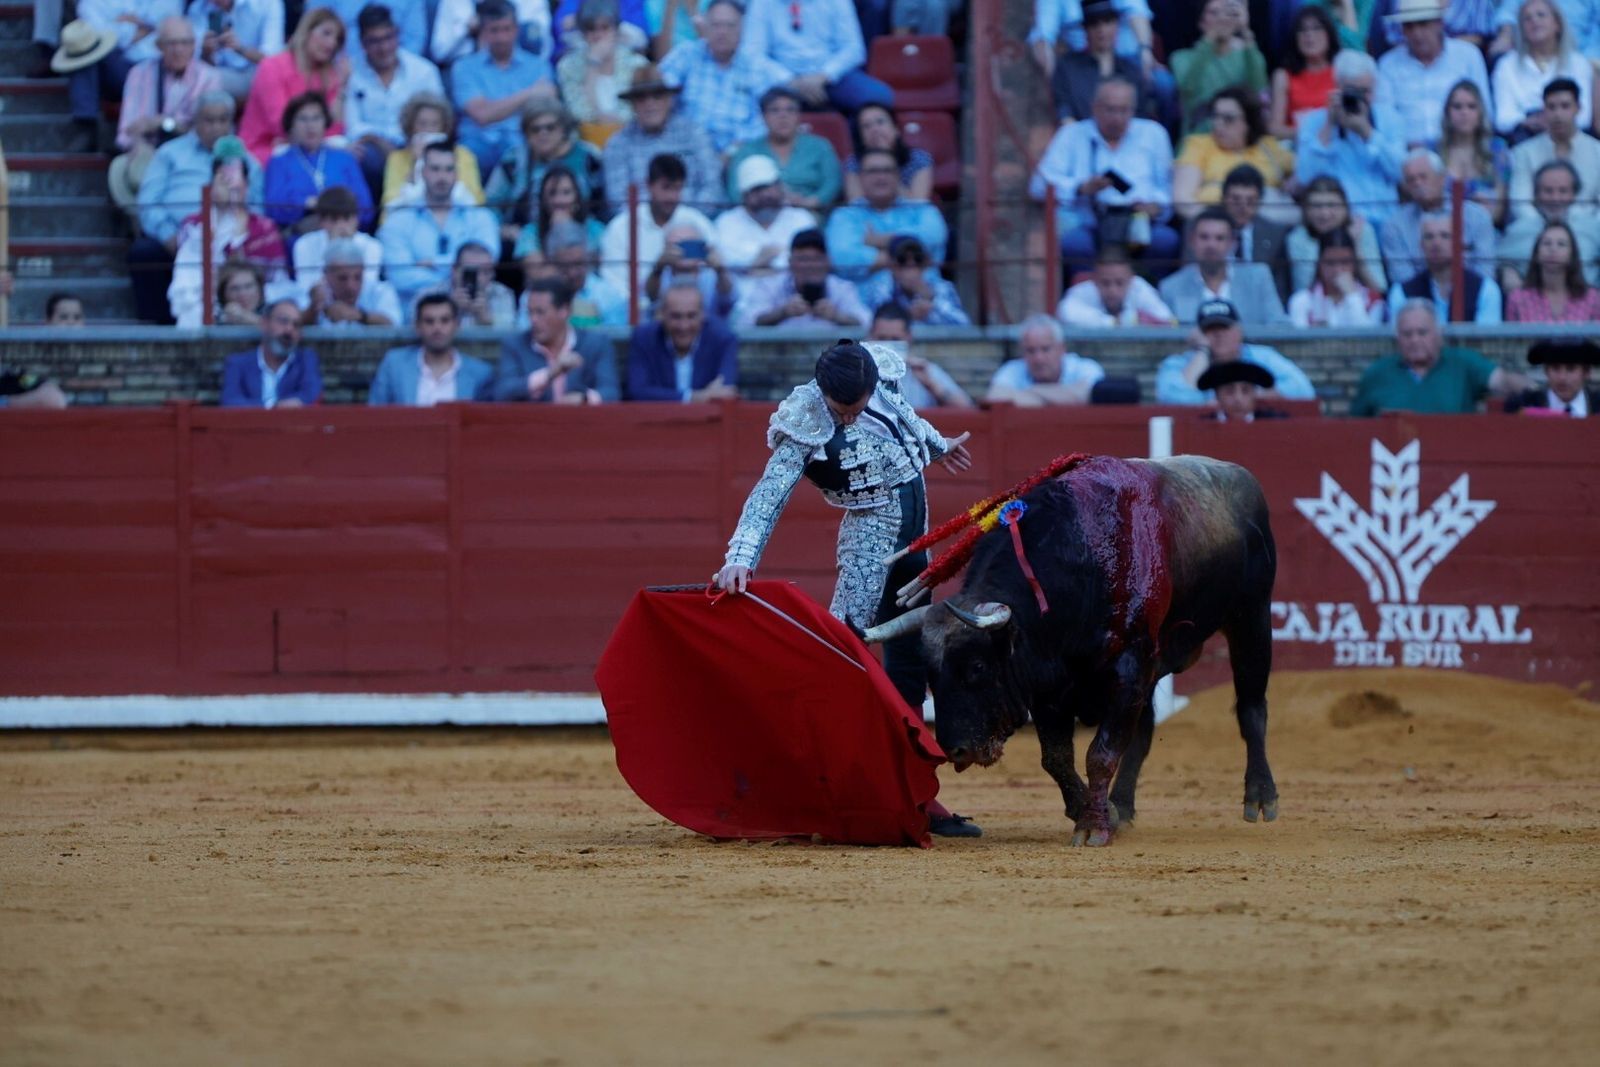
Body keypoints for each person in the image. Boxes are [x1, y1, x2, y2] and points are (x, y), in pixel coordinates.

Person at [712, 339, 979, 837]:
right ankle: (816, 788)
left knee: (910, 664)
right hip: (868, 546)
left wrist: (938, 446)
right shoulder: (805, 419)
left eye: (858, 405)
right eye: (842, 410)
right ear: (825, 396)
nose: (851, 416)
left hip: (916, 541)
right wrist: (740, 558)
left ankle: (917, 795)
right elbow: (767, 496)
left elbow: (902, 422)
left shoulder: (877, 373)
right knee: (845, 660)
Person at [128, 91, 260, 323]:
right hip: (178, 236)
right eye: (209, 120)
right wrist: (169, 235)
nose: (216, 127)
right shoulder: (170, 153)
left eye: (223, 120)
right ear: (195, 121)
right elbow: (148, 202)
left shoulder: (246, 159)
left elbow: (258, 205)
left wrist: (239, 237)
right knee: (143, 253)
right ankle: (156, 328)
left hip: (234, 236)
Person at [1029, 77, 1178, 275]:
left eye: (1124, 110)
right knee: (1075, 244)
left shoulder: (1153, 133)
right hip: (1090, 222)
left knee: (1166, 241)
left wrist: (1156, 205)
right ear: (1095, 108)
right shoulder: (1072, 134)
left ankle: (1151, 296)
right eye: (1110, 110)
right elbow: (1038, 186)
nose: (1117, 117)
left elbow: (1168, 188)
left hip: (1138, 222)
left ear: (1133, 110)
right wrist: (1081, 188)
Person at [109, 17, 220, 211]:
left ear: (194, 45)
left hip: (190, 159)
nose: (178, 50)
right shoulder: (139, 74)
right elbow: (128, 130)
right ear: (158, 46)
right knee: (135, 171)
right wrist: (139, 145)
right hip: (149, 154)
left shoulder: (209, 77)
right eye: (172, 43)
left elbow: (204, 133)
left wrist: (163, 123)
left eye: (185, 43)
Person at [1350, 298, 1531, 415]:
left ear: (1438, 334)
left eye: (1422, 333)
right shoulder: (1376, 373)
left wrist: (1530, 389)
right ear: (1397, 338)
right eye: (1407, 334)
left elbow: (1500, 380)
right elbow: (1355, 428)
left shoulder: (1462, 363)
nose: (1414, 340)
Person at [168, 150, 287, 327]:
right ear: (213, 186)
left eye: (236, 186)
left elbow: (279, 281)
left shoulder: (265, 228)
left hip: (260, 309)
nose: (230, 190)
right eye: (224, 182)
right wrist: (221, 213)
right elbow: (192, 276)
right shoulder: (192, 225)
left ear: (247, 185)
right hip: (208, 307)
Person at [1293, 49, 1406, 231]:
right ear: (1337, 87)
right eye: (1352, 91)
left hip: (1385, 219)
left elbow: (1401, 172)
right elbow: (1305, 177)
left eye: (1365, 92)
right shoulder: (1314, 122)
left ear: (1375, 87)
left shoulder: (1390, 119)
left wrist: (1367, 132)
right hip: (1336, 222)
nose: (1359, 98)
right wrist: (1329, 125)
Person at [378, 140, 501, 307]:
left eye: (449, 169)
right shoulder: (397, 220)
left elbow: (487, 262)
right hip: (414, 320)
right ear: (422, 172)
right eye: (435, 169)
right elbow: (400, 277)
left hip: (472, 313)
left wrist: (434, 263)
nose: (442, 177)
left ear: (457, 174)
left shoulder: (481, 217)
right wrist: (456, 274)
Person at [658, 0, 789, 155]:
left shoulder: (757, 67)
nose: (723, 32)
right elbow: (660, 90)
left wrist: (733, 151)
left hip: (739, 152)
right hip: (686, 148)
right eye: (716, 25)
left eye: (730, 25)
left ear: (742, 29)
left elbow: (762, 119)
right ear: (705, 27)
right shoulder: (686, 55)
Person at [344, 4, 446, 199]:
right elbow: (353, 126)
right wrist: (379, 141)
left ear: (397, 35)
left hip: (417, 144)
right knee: (361, 157)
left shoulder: (424, 71)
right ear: (362, 43)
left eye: (388, 38)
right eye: (374, 41)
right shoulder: (351, 72)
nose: (383, 48)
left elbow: (440, 119)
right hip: (373, 149)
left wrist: (411, 143)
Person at [451, 0, 558, 175]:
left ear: (516, 29)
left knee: (533, 149)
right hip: (477, 143)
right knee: (464, 156)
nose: (502, 38)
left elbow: (544, 111)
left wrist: (496, 108)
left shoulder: (538, 66)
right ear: (483, 33)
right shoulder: (464, 67)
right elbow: (482, 115)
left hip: (524, 140)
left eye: (507, 29)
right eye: (494, 30)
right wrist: (529, 94)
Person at [600, 64, 723, 215]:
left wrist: (684, 219)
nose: (650, 103)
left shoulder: (694, 134)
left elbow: (713, 188)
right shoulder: (617, 144)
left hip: (692, 223)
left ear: (669, 100)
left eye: (657, 95)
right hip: (639, 227)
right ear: (632, 105)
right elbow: (618, 202)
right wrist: (653, 221)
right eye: (641, 98)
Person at [55, 6, 180, 153]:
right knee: (84, 50)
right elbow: (95, 36)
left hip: (160, 64)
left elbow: (170, 24)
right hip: (120, 65)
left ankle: (141, 140)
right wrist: (141, 27)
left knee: (173, 54)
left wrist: (123, 28)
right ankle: (86, 125)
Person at [599, 153, 716, 305]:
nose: (672, 196)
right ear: (648, 185)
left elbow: (715, 275)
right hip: (634, 315)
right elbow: (614, 285)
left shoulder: (698, 223)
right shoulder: (621, 227)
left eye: (678, 188)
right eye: (666, 188)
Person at [238, 7, 348, 163]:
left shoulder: (329, 75)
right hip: (265, 149)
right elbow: (281, 125)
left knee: (345, 151)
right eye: (326, 34)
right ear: (307, 32)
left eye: (337, 39)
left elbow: (335, 129)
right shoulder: (272, 67)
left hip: (310, 147)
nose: (331, 43)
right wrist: (308, 136)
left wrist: (342, 87)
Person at [1375, 0, 1491, 149]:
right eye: (1409, 26)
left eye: (1423, 24)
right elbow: (1385, 121)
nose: (1417, 33)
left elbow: (1485, 111)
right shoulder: (1388, 65)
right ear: (1402, 30)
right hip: (1408, 155)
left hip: (1459, 150)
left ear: (1440, 24)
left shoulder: (1468, 56)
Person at [740, 0, 893, 113]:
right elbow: (752, 53)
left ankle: (852, 150)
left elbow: (854, 49)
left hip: (829, 76)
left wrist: (823, 76)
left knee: (879, 97)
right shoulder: (761, 3)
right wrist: (790, 80)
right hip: (781, 77)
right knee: (744, 96)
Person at [1155, 298, 1315, 405]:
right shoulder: (1178, 363)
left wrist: (1250, 396)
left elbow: (1304, 390)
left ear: (1239, 331)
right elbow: (1171, 398)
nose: (1218, 334)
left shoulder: (1263, 356)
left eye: (1224, 327)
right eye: (1210, 329)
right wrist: (1202, 351)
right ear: (1198, 334)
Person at [486, 99, 603, 246]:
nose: (543, 133)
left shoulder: (589, 157)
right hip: (524, 239)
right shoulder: (513, 160)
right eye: (535, 129)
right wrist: (504, 229)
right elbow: (491, 204)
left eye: (550, 127)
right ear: (526, 134)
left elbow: (604, 205)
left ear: (563, 129)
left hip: (582, 238)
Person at [1172, 86, 1295, 224]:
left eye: (1228, 119)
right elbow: (1183, 200)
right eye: (1215, 116)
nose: (1218, 124)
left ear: (1248, 122)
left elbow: (1307, 171)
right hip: (1215, 226)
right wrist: (1219, 223)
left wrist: (1292, 181)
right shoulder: (1198, 145)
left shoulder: (1268, 146)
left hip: (1267, 226)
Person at [824, 148, 948, 283]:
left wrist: (879, 241)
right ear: (861, 178)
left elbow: (933, 239)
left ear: (898, 176)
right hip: (862, 302)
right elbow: (843, 258)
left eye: (887, 170)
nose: (881, 177)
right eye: (873, 171)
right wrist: (906, 258)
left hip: (923, 297)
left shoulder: (923, 210)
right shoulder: (844, 215)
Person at [262, 92, 375, 238]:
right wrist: (307, 203)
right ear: (291, 125)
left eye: (316, 118)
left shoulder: (345, 158)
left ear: (325, 122)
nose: (310, 126)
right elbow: (273, 210)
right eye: (303, 119)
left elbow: (366, 208)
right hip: (300, 234)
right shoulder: (279, 162)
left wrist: (337, 214)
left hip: (346, 233)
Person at [496, 277, 621, 403]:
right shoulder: (515, 344)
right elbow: (503, 393)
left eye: (540, 312)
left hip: (580, 421)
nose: (533, 319)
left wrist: (584, 399)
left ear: (564, 311)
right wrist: (550, 373)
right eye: (530, 312)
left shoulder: (596, 344)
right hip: (532, 422)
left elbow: (611, 393)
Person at [1380, 149, 1497, 280]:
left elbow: (1485, 272)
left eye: (1423, 177)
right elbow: (1402, 279)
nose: (1417, 183)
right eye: (1411, 180)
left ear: (1442, 178)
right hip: (1418, 297)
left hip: (1471, 293)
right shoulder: (1395, 226)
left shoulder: (1477, 216)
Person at [1158, 207, 1288, 324]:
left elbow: (1278, 325)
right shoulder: (1170, 286)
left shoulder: (1259, 278)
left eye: (1219, 238)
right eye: (1204, 237)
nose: (1211, 245)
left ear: (1232, 243)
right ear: (1192, 241)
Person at [724, 86, 842, 211]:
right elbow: (735, 192)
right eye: (775, 110)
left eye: (790, 110)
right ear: (763, 116)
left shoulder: (820, 146)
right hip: (758, 214)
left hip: (810, 212)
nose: (783, 116)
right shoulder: (747, 151)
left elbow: (832, 184)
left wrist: (811, 202)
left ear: (799, 115)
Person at [369, 294, 496, 406]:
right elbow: (374, 414)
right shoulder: (394, 365)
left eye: (445, 321)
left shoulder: (480, 373)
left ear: (457, 325)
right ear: (417, 326)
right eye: (429, 321)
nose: (437, 328)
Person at [1491, 0, 1593, 140]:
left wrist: (1553, 120)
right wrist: (1531, 121)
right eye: (1527, 18)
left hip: (1570, 137)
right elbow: (1503, 119)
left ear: (1557, 24)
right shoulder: (1506, 65)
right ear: (1522, 29)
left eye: (1541, 15)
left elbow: (1584, 117)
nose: (1534, 21)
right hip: (1523, 136)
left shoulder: (1578, 63)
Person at [625, 282, 741, 401]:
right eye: (676, 316)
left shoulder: (723, 339)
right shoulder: (644, 338)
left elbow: (724, 391)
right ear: (662, 314)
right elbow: (637, 391)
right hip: (654, 419)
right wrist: (693, 397)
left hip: (708, 419)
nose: (683, 326)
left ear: (703, 314)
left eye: (691, 316)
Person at [713, 156, 819, 285]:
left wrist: (752, 269)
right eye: (757, 190)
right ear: (744, 195)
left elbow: (811, 268)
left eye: (768, 187)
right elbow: (727, 273)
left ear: (780, 186)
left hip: (794, 299)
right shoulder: (726, 223)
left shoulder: (802, 219)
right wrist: (758, 261)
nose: (764, 195)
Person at [380, 93, 487, 218]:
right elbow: (387, 213)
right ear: (410, 127)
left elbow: (475, 204)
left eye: (435, 124)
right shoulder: (397, 159)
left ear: (444, 128)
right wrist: (418, 162)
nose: (428, 130)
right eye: (422, 124)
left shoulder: (464, 156)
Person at [1508, 78, 1600, 221]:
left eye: (1565, 106)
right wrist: (1547, 231)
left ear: (1578, 108)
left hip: (1588, 231)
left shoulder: (1597, 152)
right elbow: (1520, 203)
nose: (1558, 114)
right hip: (1535, 230)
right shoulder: (1524, 152)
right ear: (1544, 110)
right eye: (1551, 107)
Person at [736, 228, 869, 327]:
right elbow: (747, 322)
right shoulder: (769, 286)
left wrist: (837, 316)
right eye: (802, 259)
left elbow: (866, 322)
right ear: (790, 262)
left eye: (816, 259)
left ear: (827, 262)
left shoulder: (842, 288)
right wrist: (782, 312)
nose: (809, 266)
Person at [1500, 160, 1600, 289]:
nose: (1555, 198)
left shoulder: (1593, 228)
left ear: (1574, 194)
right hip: (1532, 305)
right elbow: (1500, 262)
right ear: (1536, 194)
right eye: (1548, 191)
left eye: (1563, 191)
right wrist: (1507, 271)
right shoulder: (1518, 230)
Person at [1388, 212, 1504, 323]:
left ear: (1460, 243)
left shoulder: (1486, 290)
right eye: (1429, 237)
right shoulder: (1401, 292)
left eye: (1445, 236)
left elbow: (1485, 340)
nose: (1436, 243)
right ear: (1421, 245)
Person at [1170, 0, 1266, 134]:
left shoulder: (1248, 56)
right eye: (1214, 12)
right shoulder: (1180, 58)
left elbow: (1258, 89)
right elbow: (1188, 88)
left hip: (1238, 139)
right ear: (1201, 22)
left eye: (1227, 12)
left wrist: (1245, 30)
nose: (1222, 18)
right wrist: (1211, 37)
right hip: (1199, 140)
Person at [1052, 0, 1150, 127]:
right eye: (1094, 24)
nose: (1101, 30)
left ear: (1116, 26)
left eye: (1107, 22)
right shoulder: (1067, 67)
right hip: (1082, 138)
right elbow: (1064, 111)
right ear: (1085, 30)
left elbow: (1139, 116)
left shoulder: (1131, 71)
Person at [1286, 175, 1387, 295]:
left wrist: (1354, 246)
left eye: (1331, 205)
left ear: (1345, 207)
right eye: (1317, 206)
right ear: (1306, 210)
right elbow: (1303, 292)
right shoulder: (1298, 238)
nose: (1325, 214)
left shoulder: (1362, 230)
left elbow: (1379, 289)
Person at [557, 0, 651, 128]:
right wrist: (593, 64)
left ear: (616, 30)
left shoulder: (636, 64)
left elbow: (638, 113)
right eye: (591, 29)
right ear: (582, 33)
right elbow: (581, 114)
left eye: (605, 28)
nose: (598, 35)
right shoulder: (568, 67)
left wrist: (612, 122)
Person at [219, 298, 324, 407]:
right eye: (283, 321)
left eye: (296, 325)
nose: (289, 329)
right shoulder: (238, 363)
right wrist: (273, 407)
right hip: (249, 424)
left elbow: (311, 395)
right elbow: (230, 401)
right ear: (264, 324)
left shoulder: (306, 359)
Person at [866, 302, 973, 407]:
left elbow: (967, 408)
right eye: (882, 339)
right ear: (870, 337)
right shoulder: (858, 370)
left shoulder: (923, 371)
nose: (888, 346)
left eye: (895, 339)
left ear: (909, 338)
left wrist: (931, 385)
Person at [986, 314, 1105, 407]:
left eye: (1045, 349)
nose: (1038, 358)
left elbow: (1087, 395)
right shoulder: (1012, 370)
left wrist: (1033, 391)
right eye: (1031, 351)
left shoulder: (1086, 368)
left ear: (1062, 349)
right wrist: (1060, 398)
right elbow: (994, 397)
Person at [291, 186, 385, 300]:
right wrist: (333, 248)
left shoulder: (372, 246)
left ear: (356, 219)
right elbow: (306, 288)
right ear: (321, 221)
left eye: (346, 218)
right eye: (334, 220)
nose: (341, 226)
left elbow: (367, 289)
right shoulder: (304, 245)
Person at [1439, 80, 1511, 228]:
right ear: (1447, 113)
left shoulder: (1498, 150)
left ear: (1480, 113)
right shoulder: (1434, 151)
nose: (1464, 112)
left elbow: (1498, 211)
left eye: (1471, 107)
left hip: (1487, 229)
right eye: (1457, 107)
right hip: (1443, 231)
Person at [856, 236, 970, 326]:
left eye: (917, 259)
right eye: (902, 260)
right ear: (890, 265)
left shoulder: (942, 287)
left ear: (925, 264)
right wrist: (908, 316)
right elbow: (872, 326)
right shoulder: (879, 289)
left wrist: (933, 303)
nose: (911, 265)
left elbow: (964, 325)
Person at [1056, 243, 1177, 327]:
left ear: (1131, 279)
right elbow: (1065, 312)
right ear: (1094, 280)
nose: (1112, 290)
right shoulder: (1083, 291)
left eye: (1119, 283)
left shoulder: (1139, 288)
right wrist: (1117, 322)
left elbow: (1168, 322)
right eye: (1105, 283)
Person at [1215, 164, 1290, 297]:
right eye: (1236, 200)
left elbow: (1280, 289)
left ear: (1260, 202)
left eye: (1250, 201)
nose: (1243, 207)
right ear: (1223, 199)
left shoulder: (1275, 234)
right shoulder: (1202, 228)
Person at [536, 221, 630, 327]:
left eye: (578, 264)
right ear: (552, 263)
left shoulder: (609, 297)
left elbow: (616, 339)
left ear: (588, 259)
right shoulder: (536, 296)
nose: (573, 273)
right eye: (565, 267)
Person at [1288, 229, 1389, 326]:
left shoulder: (1373, 300)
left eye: (1345, 262)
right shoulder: (1301, 301)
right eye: (1330, 263)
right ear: (1319, 264)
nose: (1337, 270)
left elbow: (1369, 340)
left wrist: (1352, 296)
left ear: (1354, 264)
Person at [1506, 220, 1600, 320]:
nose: (1553, 249)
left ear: (1572, 255)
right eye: (1547, 243)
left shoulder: (1592, 298)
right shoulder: (1518, 298)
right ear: (1536, 253)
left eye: (1561, 244)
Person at [189, 0, 284, 99]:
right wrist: (206, 52)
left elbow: (271, 59)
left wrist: (240, 48)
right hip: (216, 74)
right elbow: (197, 60)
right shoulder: (199, 7)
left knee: (200, 80)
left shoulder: (268, 4)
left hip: (255, 74)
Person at [1270, 5, 1339, 140]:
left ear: (1329, 34)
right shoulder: (1283, 76)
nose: (1309, 35)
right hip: (1297, 147)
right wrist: (1310, 134)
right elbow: (1275, 129)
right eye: (1302, 30)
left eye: (1316, 28)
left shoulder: (1341, 71)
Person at [843, 105, 933, 204]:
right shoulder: (854, 162)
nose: (875, 129)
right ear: (861, 137)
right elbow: (857, 203)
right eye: (866, 126)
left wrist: (887, 160)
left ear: (896, 129)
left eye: (880, 122)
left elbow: (918, 203)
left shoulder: (918, 159)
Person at [513, 165, 606, 261]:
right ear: (543, 200)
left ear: (577, 197)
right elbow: (537, 272)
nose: (559, 201)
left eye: (566, 193)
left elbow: (602, 263)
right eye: (552, 193)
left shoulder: (596, 230)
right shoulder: (529, 233)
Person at [306, 237, 402, 327]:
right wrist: (312, 309)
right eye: (342, 278)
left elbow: (393, 323)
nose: (350, 286)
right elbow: (296, 320)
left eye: (357, 277)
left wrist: (359, 316)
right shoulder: (316, 292)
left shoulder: (380, 291)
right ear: (326, 275)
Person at [433, 0, 553, 64]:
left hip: (520, 68)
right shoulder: (454, 2)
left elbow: (543, 49)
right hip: (464, 69)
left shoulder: (532, 2)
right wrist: (466, 30)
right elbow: (439, 54)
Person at [1505, 337, 1600, 415]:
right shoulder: (1524, 404)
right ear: (1546, 371)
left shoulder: (1597, 405)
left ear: (1586, 372)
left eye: (1571, 369)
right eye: (1555, 368)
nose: (1562, 377)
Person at [1195, 361, 1287, 422]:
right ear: (1217, 395)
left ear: (1254, 394)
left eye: (1245, 391)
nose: (1238, 399)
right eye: (1229, 391)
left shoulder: (1275, 421)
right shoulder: (1203, 424)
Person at [213, 260, 267, 325]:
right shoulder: (217, 323)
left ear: (259, 289)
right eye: (234, 288)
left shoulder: (275, 313)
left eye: (248, 286)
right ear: (223, 294)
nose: (243, 294)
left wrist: (246, 316)